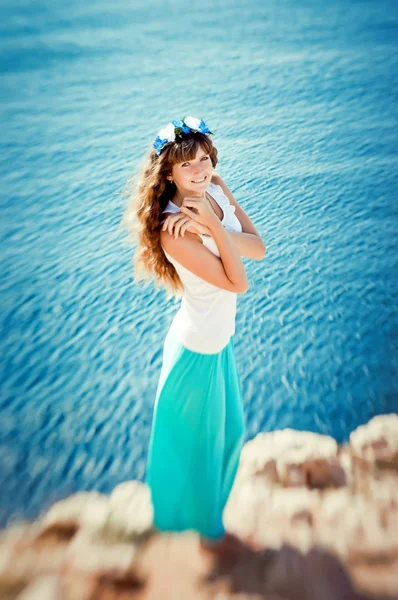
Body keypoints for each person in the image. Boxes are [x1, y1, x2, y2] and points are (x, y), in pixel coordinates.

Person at [123, 116, 266, 553]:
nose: (201, 170)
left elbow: (259, 248)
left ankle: (202, 531)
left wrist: (210, 225)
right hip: (196, 349)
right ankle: (203, 544)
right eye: (188, 165)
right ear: (168, 172)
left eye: (205, 158)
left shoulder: (215, 190)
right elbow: (238, 281)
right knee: (198, 454)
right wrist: (214, 230)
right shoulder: (172, 230)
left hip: (218, 343)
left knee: (230, 436)